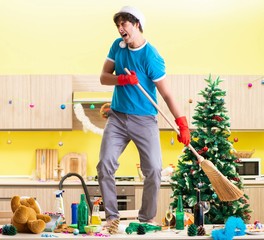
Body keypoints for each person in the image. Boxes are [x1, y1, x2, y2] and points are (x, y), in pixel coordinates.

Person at [96, 6, 190, 224]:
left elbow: (166, 94)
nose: (120, 29)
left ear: (137, 24)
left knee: (154, 170)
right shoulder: (117, 47)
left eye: (124, 24)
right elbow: (103, 77)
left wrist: (181, 123)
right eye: (118, 25)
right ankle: (112, 218)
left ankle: (145, 220)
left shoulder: (152, 56)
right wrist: (122, 79)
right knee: (104, 164)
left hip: (144, 120)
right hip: (117, 117)